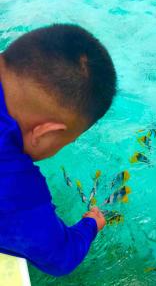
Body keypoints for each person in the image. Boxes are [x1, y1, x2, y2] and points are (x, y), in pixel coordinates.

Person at [0, 24, 117, 276]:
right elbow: (61, 255)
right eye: (67, 141)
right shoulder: (16, 189)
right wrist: (91, 224)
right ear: (46, 134)